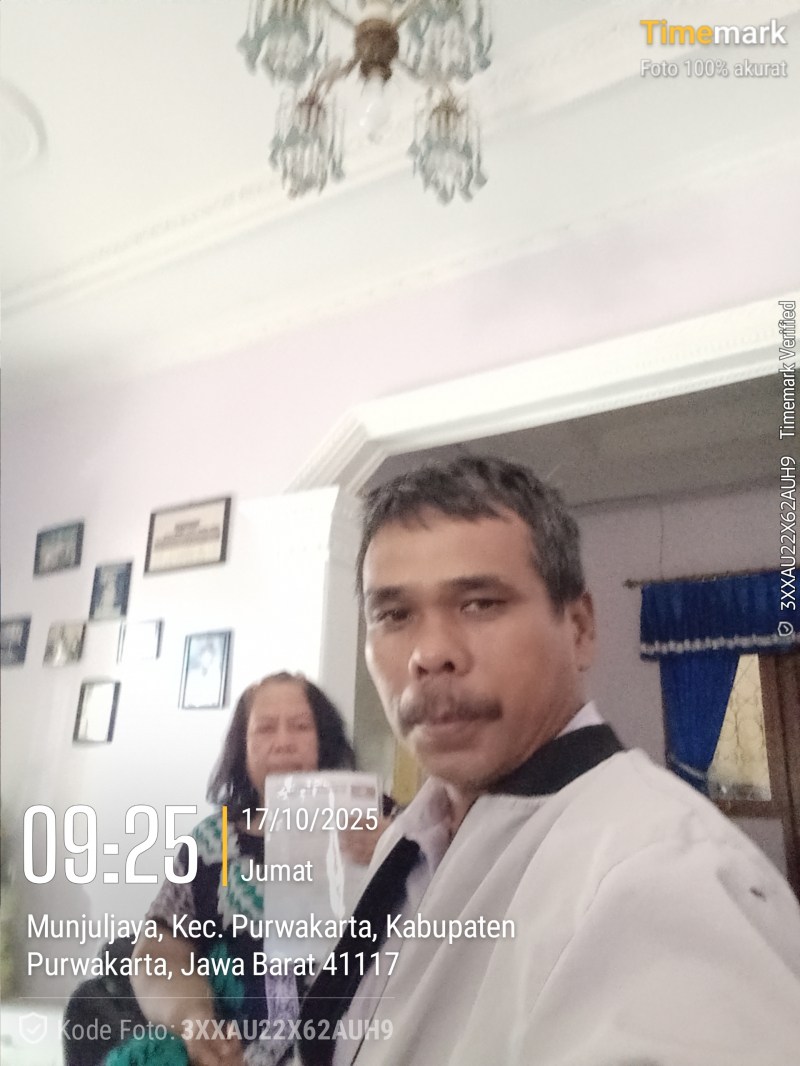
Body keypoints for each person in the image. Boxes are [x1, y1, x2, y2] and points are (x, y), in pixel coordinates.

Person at [298, 455, 800, 1066]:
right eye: (394, 614)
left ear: (580, 628)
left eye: (480, 603)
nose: (429, 653)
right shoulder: (409, 840)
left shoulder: (660, 874)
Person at [128, 672, 378, 1066]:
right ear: (242, 748)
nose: (283, 742)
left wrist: (395, 849)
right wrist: (194, 1020)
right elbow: (157, 953)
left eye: (300, 726)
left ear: (323, 740)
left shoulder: (382, 822)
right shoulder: (210, 844)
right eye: (265, 728)